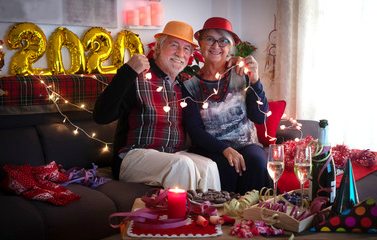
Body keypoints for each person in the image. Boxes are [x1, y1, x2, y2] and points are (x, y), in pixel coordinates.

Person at [93, 21, 221, 191]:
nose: (180, 53)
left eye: (186, 49)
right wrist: (128, 71)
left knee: (209, 167)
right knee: (182, 164)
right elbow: (101, 116)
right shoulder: (138, 77)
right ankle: (184, 217)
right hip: (133, 156)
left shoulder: (183, 86)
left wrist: (232, 67)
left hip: (172, 155)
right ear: (159, 48)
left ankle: (208, 216)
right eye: (174, 45)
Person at [183, 17, 273, 194]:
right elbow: (194, 130)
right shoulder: (189, 86)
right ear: (200, 43)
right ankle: (224, 217)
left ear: (231, 47)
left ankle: (255, 215)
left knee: (256, 161)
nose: (216, 46)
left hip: (247, 144)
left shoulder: (242, 74)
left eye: (223, 40)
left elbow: (260, 117)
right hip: (210, 148)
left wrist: (255, 81)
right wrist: (224, 149)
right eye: (209, 39)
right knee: (224, 166)